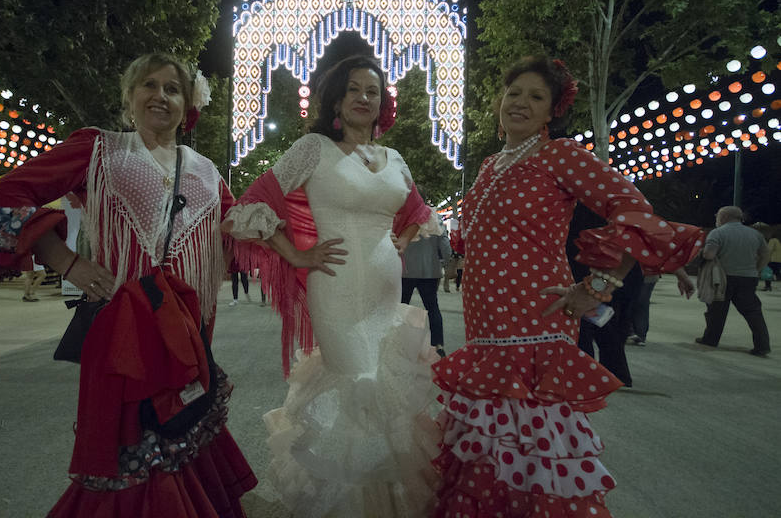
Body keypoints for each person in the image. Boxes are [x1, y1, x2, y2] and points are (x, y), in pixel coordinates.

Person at [0, 53, 256, 517]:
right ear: (129, 98)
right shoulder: (100, 148)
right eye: (149, 85)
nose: (161, 96)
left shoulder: (208, 172)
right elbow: (8, 191)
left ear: (188, 104)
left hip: (187, 326)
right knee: (124, 436)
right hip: (124, 324)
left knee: (180, 424)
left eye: (173, 88)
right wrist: (67, 262)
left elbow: (237, 232)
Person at [431, 56, 704, 517]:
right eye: (514, 93)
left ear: (552, 110)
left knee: (531, 434)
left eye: (536, 97)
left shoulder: (562, 155)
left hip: (536, 316)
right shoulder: (490, 165)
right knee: (491, 434)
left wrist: (598, 285)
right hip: (484, 323)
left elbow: (633, 209)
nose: (520, 103)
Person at [223, 55, 440, 517]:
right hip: (335, 290)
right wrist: (296, 255)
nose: (364, 98)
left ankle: (387, 503)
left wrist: (395, 243)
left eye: (373, 91)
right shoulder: (314, 149)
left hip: (385, 293)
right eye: (354, 89)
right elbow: (249, 206)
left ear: (383, 104)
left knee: (385, 391)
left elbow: (419, 213)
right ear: (336, 100)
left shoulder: (395, 158)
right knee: (357, 386)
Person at [695, 206, 771, 357]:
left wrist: (701, 253)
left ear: (723, 218)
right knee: (753, 312)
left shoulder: (718, 233)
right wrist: (756, 270)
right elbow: (765, 254)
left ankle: (710, 339)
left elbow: (710, 255)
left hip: (723, 277)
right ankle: (762, 346)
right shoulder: (755, 234)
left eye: (717, 216)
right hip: (748, 278)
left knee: (716, 311)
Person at [402, 210, 452, 357]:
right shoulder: (435, 217)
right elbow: (444, 243)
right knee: (433, 308)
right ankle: (438, 346)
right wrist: (446, 260)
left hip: (405, 271)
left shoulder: (404, 216)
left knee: (401, 307)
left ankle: (400, 342)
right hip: (429, 271)